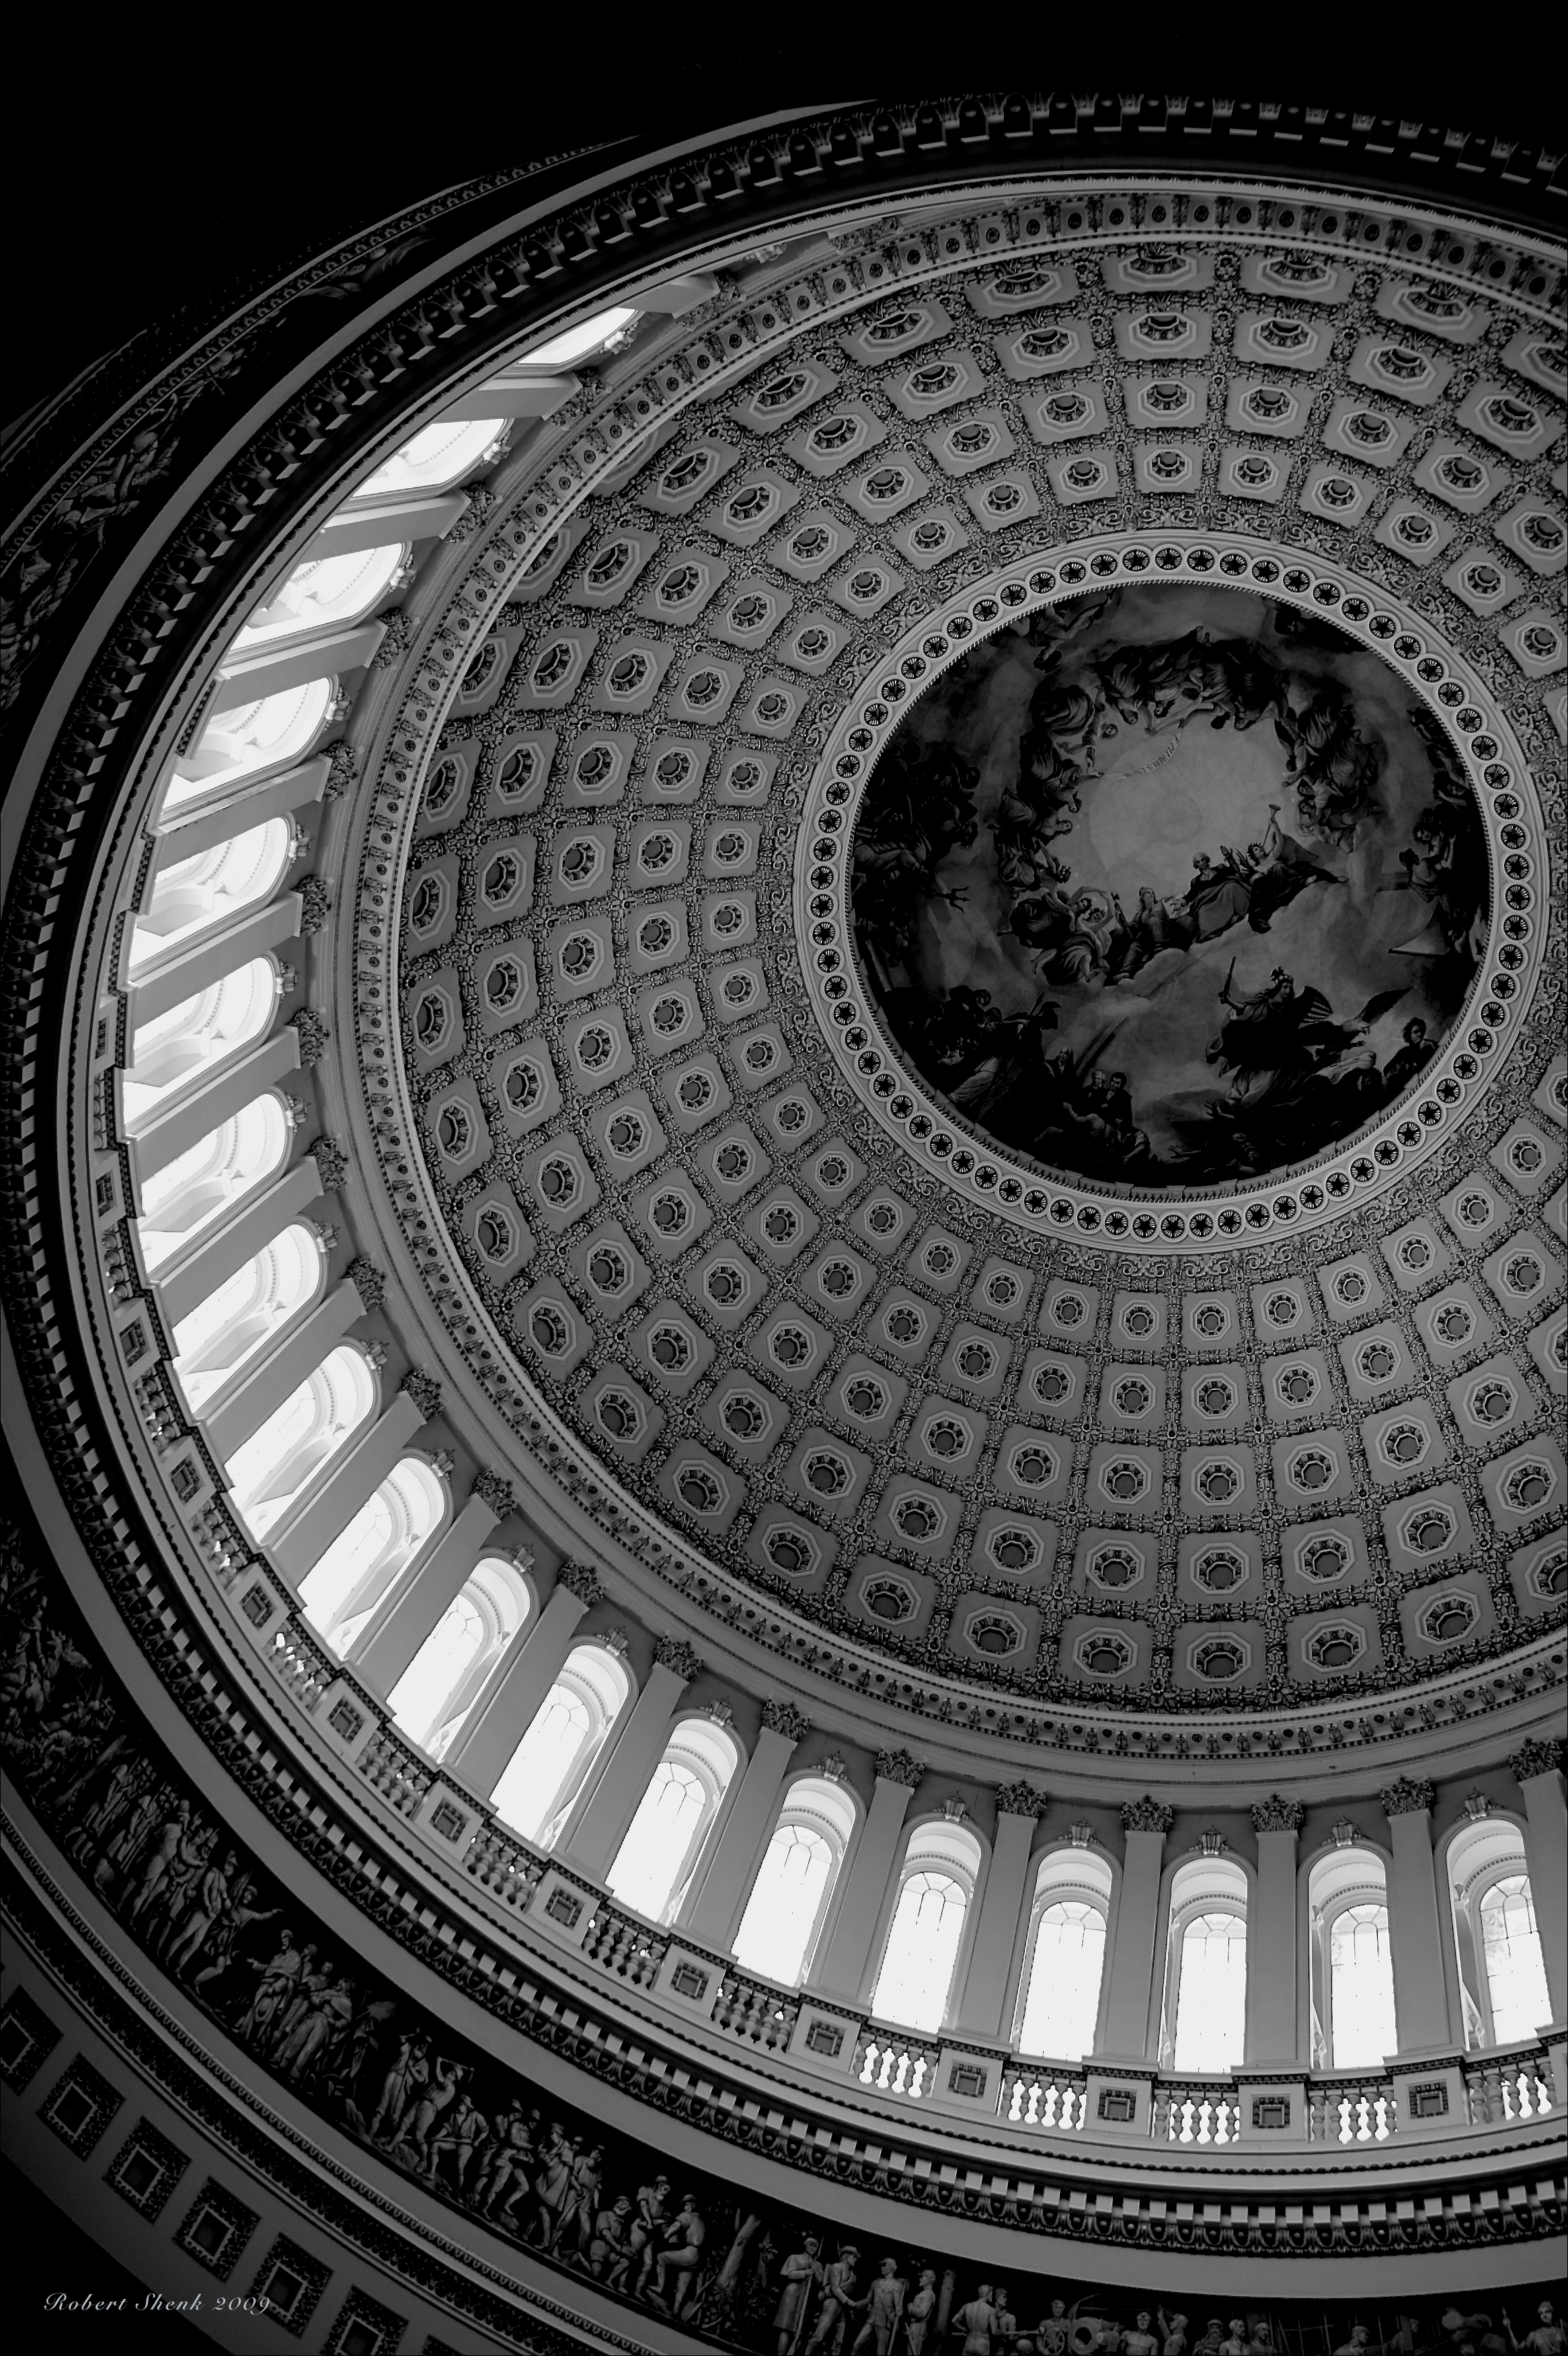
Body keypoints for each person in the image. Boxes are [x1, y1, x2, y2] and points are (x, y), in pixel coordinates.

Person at [774, 2236, 824, 2355]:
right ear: (805, 2245)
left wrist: (816, 2271)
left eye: (815, 2246)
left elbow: (821, 2282)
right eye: (811, 2245)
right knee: (786, 2326)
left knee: (800, 2330)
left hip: (807, 2297)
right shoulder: (794, 2258)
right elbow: (789, 2274)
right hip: (792, 2293)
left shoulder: (818, 2264)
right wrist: (805, 2272)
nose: (813, 2248)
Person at [851, 2258, 906, 2356]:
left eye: (885, 2265)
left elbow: (898, 2306)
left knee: (881, 2352)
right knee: (856, 2346)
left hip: (884, 2321)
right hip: (871, 2318)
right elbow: (868, 2299)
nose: (882, 2267)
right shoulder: (876, 2282)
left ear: (892, 2268)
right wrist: (855, 2304)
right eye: (882, 2265)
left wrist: (898, 2311)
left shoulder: (897, 2285)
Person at [953, 2285, 1002, 2356]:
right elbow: (994, 2331)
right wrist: (1003, 2332)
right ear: (988, 2294)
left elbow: (954, 2321)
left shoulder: (967, 2306)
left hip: (969, 2341)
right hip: (982, 2343)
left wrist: (964, 2329)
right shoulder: (990, 2310)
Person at [904, 2269, 939, 2356]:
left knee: (913, 2352)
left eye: (922, 2277)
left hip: (919, 2326)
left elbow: (922, 2313)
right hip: (915, 2325)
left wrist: (911, 2308)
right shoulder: (925, 2293)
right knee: (910, 2351)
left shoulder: (928, 2294)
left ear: (929, 2280)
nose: (920, 2279)